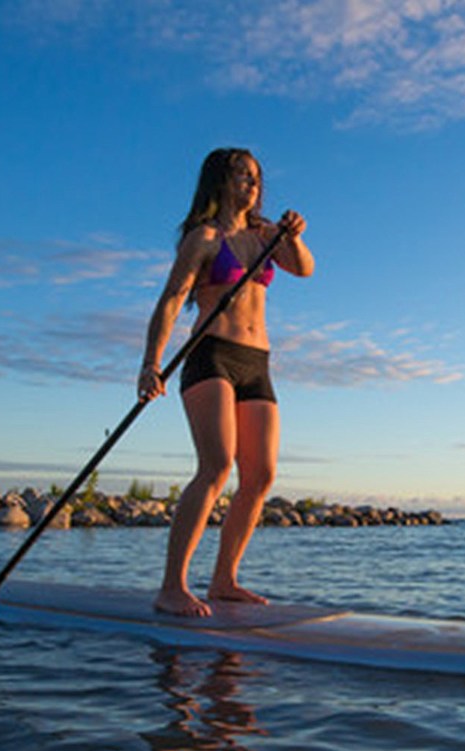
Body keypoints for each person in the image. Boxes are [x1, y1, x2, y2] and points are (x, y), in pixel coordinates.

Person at [138, 148, 314, 617]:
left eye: (255, 177)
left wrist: (292, 235)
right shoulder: (205, 237)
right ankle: (172, 587)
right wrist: (150, 364)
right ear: (218, 182)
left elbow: (304, 267)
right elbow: (173, 300)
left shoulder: (265, 236)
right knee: (216, 466)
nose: (250, 184)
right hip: (211, 355)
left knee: (260, 475)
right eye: (240, 175)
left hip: (257, 362)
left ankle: (224, 580)